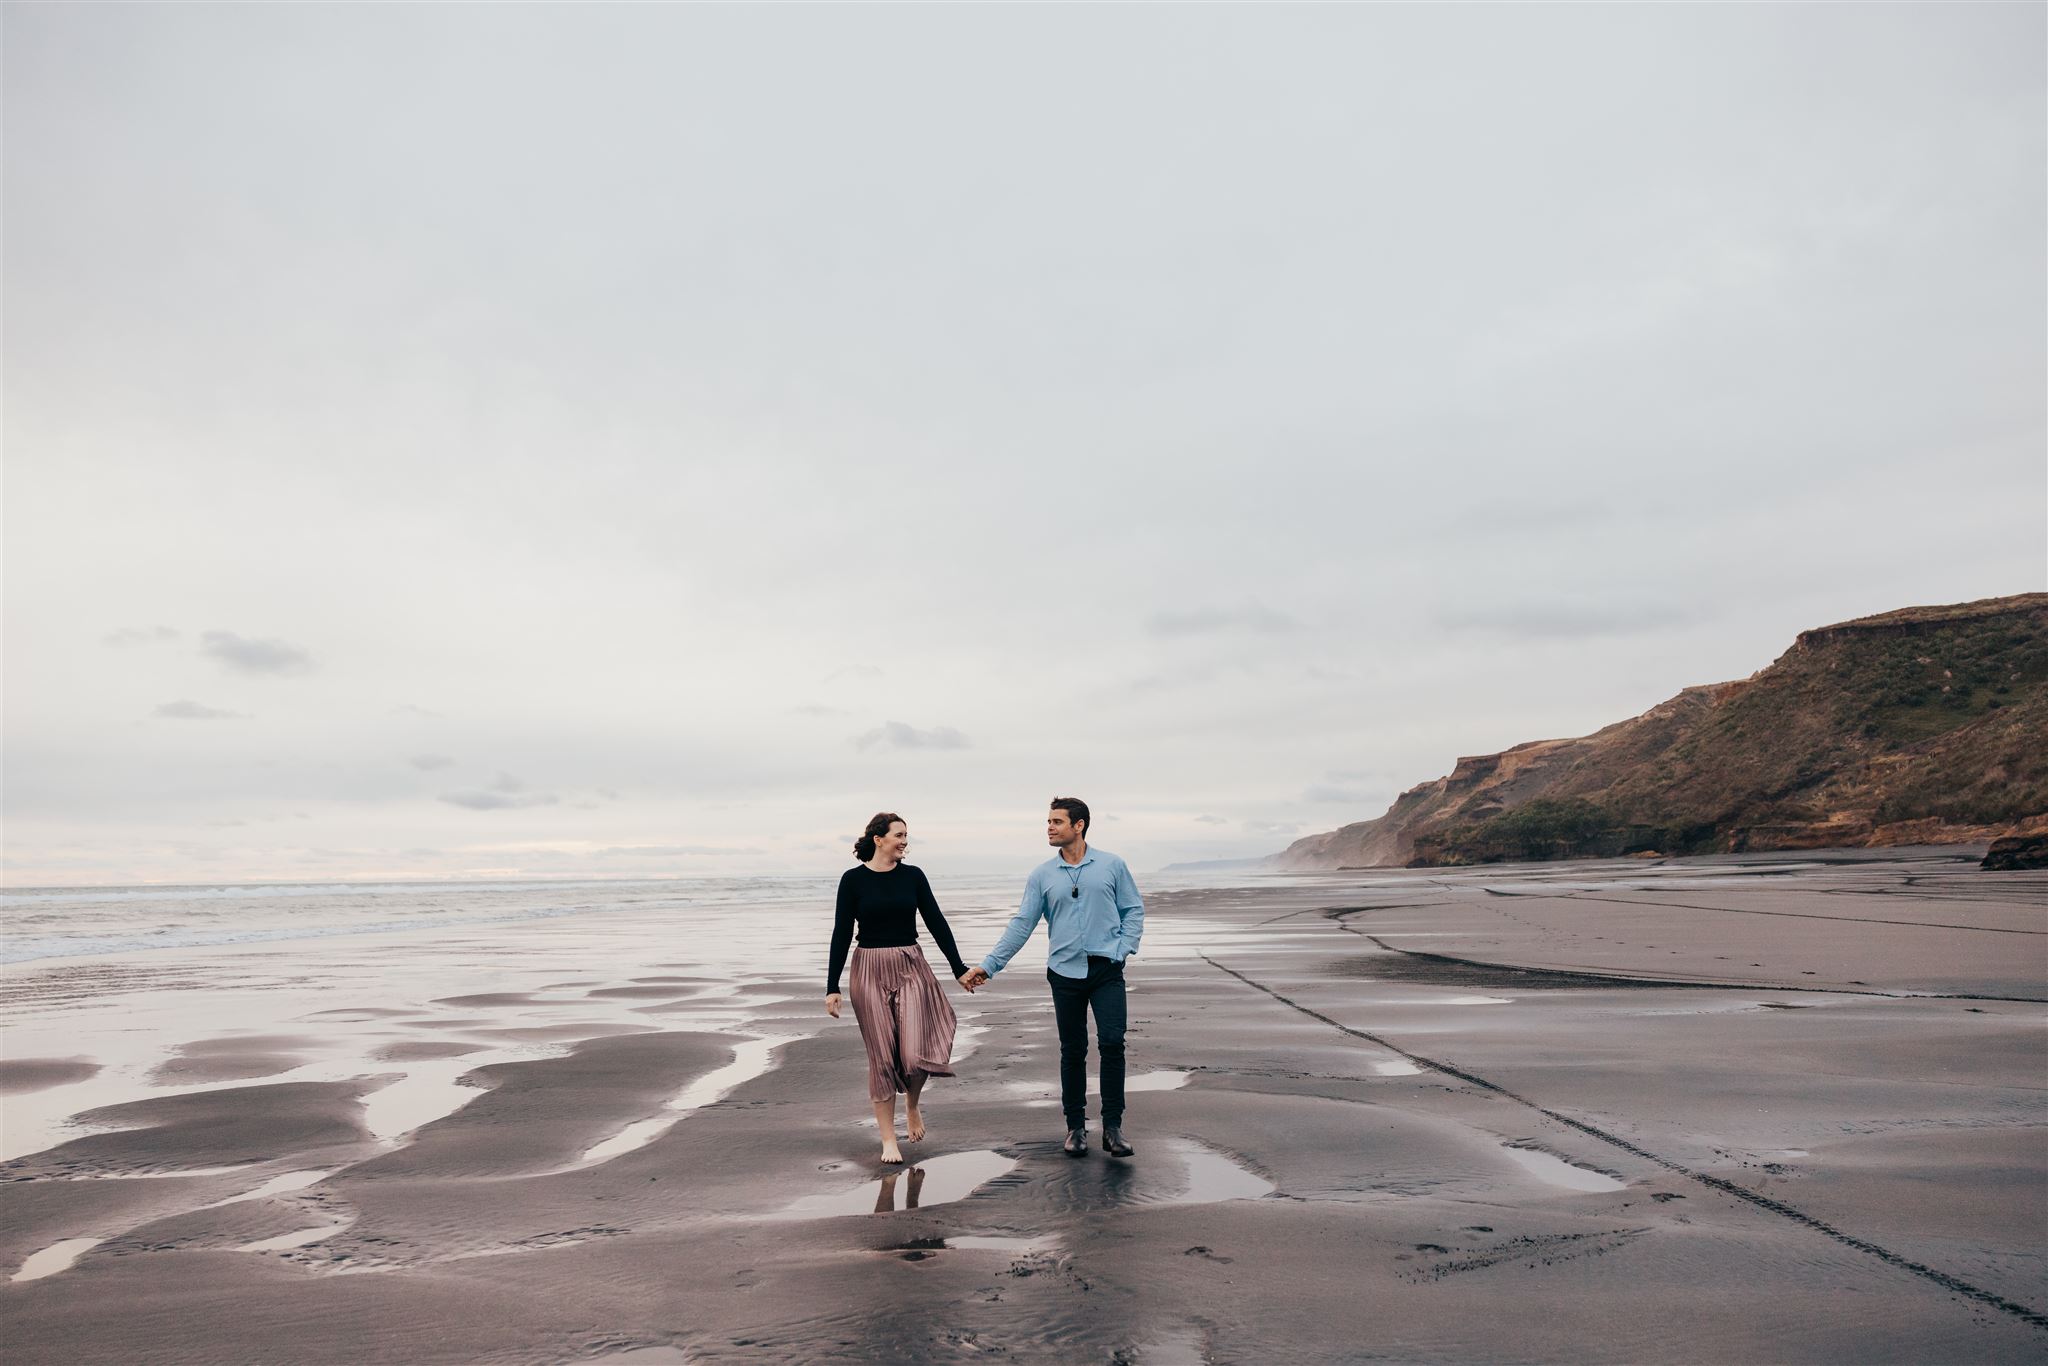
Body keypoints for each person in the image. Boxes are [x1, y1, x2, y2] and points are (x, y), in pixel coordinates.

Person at [962, 797, 1144, 1158]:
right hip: (1064, 973)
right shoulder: (1042, 875)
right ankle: (1075, 1128)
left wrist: (1122, 948)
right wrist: (989, 965)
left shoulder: (1111, 865)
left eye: (1056, 821)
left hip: (1106, 969)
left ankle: (1112, 1128)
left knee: (1111, 1043)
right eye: (1048, 821)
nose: (1049, 827)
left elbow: (1133, 909)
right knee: (1073, 1050)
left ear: (1079, 825)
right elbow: (1022, 924)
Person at [825, 812, 979, 1164]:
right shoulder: (852, 881)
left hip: (911, 965)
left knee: (912, 1054)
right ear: (878, 839)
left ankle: (912, 1104)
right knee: (881, 1057)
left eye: (906, 835)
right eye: (899, 835)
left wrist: (958, 968)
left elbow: (936, 921)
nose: (905, 841)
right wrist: (832, 985)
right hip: (868, 969)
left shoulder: (913, 877)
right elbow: (841, 933)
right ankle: (888, 1140)